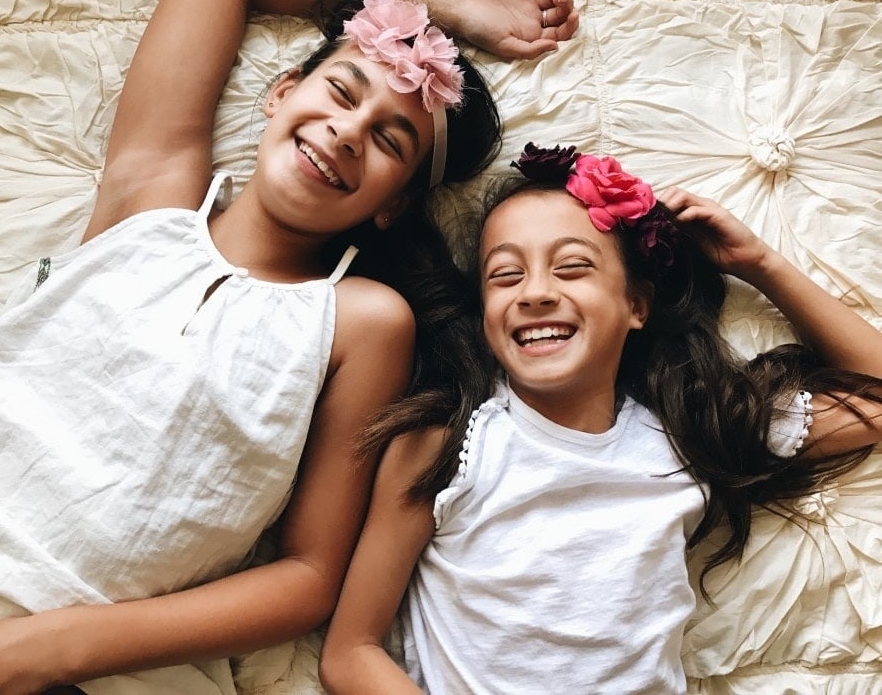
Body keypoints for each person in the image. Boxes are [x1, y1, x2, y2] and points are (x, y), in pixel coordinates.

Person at [0, 0, 579, 693]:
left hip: (65, 664)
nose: (348, 132)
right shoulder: (151, 198)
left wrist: (43, 647)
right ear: (281, 91)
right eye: (341, 92)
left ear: (394, 203)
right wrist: (445, 7)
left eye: (389, 140)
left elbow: (307, 578)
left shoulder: (360, 322)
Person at [318, 143, 882, 693]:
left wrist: (761, 264)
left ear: (637, 305)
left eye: (572, 267)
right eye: (505, 276)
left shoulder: (686, 435)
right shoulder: (445, 446)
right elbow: (350, 654)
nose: (535, 292)